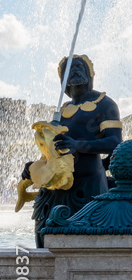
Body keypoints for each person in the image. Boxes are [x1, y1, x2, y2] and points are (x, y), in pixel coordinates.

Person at [18, 55, 122, 247]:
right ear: (62, 82)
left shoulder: (105, 104)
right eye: (68, 68)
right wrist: (35, 167)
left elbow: (115, 142)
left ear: (90, 74)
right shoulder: (63, 109)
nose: (73, 69)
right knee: (45, 245)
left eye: (78, 66)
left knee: (85, 247)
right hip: (55, 189)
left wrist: (78, 145)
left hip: (87, 189)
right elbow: (52, 148)